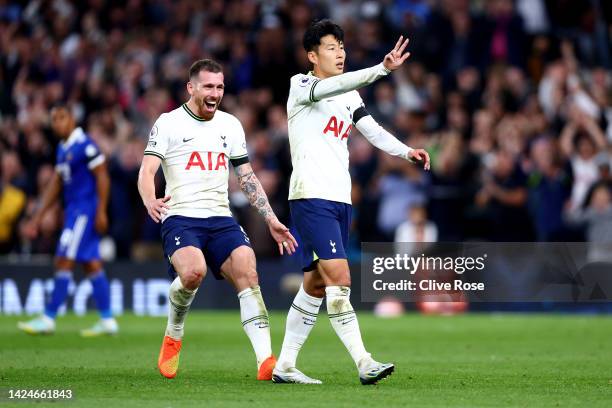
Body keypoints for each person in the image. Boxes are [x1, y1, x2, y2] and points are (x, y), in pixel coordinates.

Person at [273, 19, 430, 385]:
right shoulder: (302, 85)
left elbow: (371, 130)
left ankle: (284, 365)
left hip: (339, 198)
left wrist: (407, 151)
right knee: (340, 279)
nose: (340, 52)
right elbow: (342, 83)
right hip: (311, 196)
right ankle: (364, 362)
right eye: (331, 47)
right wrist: (381, 70)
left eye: (342, 45)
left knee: (315, 284)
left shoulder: (348, 96)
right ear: (312, 55)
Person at [137, 59, 297, 380]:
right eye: (208, 86)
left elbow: (247, 176)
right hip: (181, 216)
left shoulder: (230, 125)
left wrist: (270, 218)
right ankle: (174, 331)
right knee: (193, 273)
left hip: (221, 217)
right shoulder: (169, 123)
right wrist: (150, 199)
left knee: (247, 268)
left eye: (220, 86)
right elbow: (147, 171)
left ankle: (266, 362)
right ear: (191, 87)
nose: (215, 93)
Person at [18, 105, 118, 337]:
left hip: (84, 212)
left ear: (72, 119)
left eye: (61, 118)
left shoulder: (85, 145)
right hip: (74, 211)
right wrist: (38, 217)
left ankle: (48, 318)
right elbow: (56, 184)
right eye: (53, 119)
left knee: (63, 259)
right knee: (91, 263)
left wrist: (102, 210)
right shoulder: (63, 149)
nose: (57, 123)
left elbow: (102, 175)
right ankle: (107, 320)